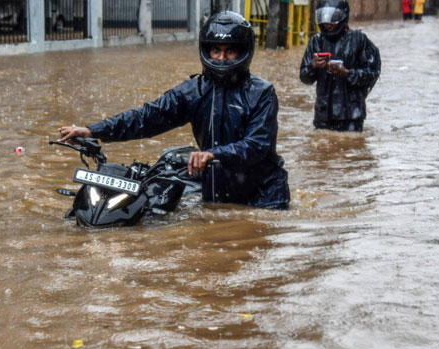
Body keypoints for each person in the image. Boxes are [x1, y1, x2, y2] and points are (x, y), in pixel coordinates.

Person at [58, 11, 290, 210]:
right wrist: (92, 130)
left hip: (265, 197)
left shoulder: (262, 92)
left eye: (230, 51)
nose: (221, 58)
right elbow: (147, 117)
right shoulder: (193, 91)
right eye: (215, 50)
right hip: (216, 191)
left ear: (244, 51)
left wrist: (213, 154)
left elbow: (256, 146)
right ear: (206, 50)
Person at [299, 0, 381, 132]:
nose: (328, 24)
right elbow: (304, 78)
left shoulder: (359, 39)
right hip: (323, 115)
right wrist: (313, 66)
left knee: (351, 143)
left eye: (333, 18)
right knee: (322, 143)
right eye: (324, 18)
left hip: (351, 115)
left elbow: (372, 73)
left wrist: (347, 73)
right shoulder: (316, 42)